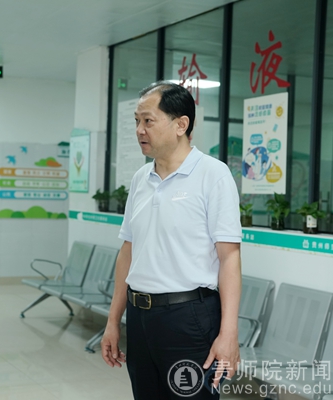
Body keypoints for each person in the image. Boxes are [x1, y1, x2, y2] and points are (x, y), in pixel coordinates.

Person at [101, 82, 242, 399]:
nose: (140, 130)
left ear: (181, 125)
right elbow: (128, 251)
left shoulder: (213, 175)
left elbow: (230, 257)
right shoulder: (141, 179)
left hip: (188, 318)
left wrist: (229, 334)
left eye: (148, 121)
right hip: (140, 317)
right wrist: (113, 321)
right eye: (137, 121)